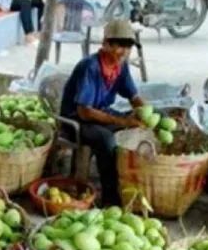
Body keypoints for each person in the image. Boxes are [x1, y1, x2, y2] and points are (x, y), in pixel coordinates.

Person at [60, 19, 146, 204]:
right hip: (76, 121)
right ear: (106, 44)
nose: (124, 52)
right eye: (120, 46)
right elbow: (84, 112)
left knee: (135, 127)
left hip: (100, 115)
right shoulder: (89, 67)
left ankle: (129, 187)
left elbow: (133, 96)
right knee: (107, 140)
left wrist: (145, 112)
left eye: (128, 46)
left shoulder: (120, 65)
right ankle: (110, 199)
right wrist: (122, 121)